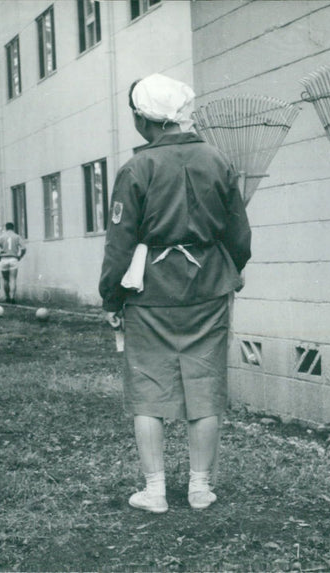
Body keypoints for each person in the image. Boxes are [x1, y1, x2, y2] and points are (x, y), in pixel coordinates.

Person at [98, 74, 251, 513]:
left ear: (144, 119)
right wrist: (232, 271)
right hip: (208, 285)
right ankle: (200, 488)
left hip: (149, 292)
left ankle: (156, 490)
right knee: (204, 384)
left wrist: (111, 297)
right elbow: (239, 234)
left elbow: (119, 242)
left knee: (148, 388)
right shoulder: (217, 160)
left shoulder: (135, 168)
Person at [0, 222, 26, 303]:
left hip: (4, 259)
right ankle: (12, 298)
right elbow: (24, 248)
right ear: (13, 228)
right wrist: (20, 257)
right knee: (13, 279)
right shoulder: (17, 236)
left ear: (6, 228)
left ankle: (7, 297)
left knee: (5, 280)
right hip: (13, 259)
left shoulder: (1, 237)